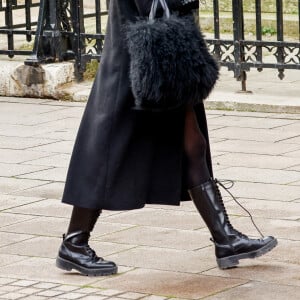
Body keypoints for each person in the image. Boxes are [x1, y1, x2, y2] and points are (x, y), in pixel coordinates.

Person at [56, 0, 277, 276]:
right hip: (144, 53)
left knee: (192, 143)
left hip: (164, 48)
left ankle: (225, 238)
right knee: (108, 147)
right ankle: (75, 242)